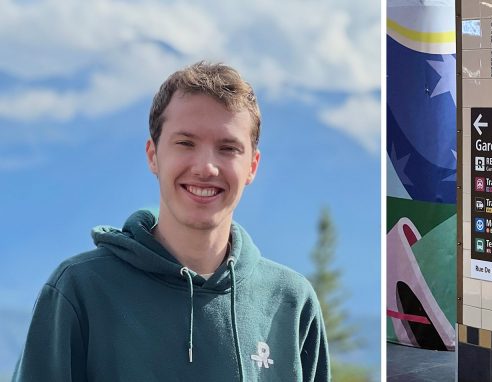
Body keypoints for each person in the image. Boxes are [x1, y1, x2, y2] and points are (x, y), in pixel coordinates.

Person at [13, 62, 330, 381]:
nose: (206, 167)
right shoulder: (80, 289)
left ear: (252, 166)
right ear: (153, 155)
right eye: (185, 143)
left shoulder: (291, 301)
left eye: (228, 148)